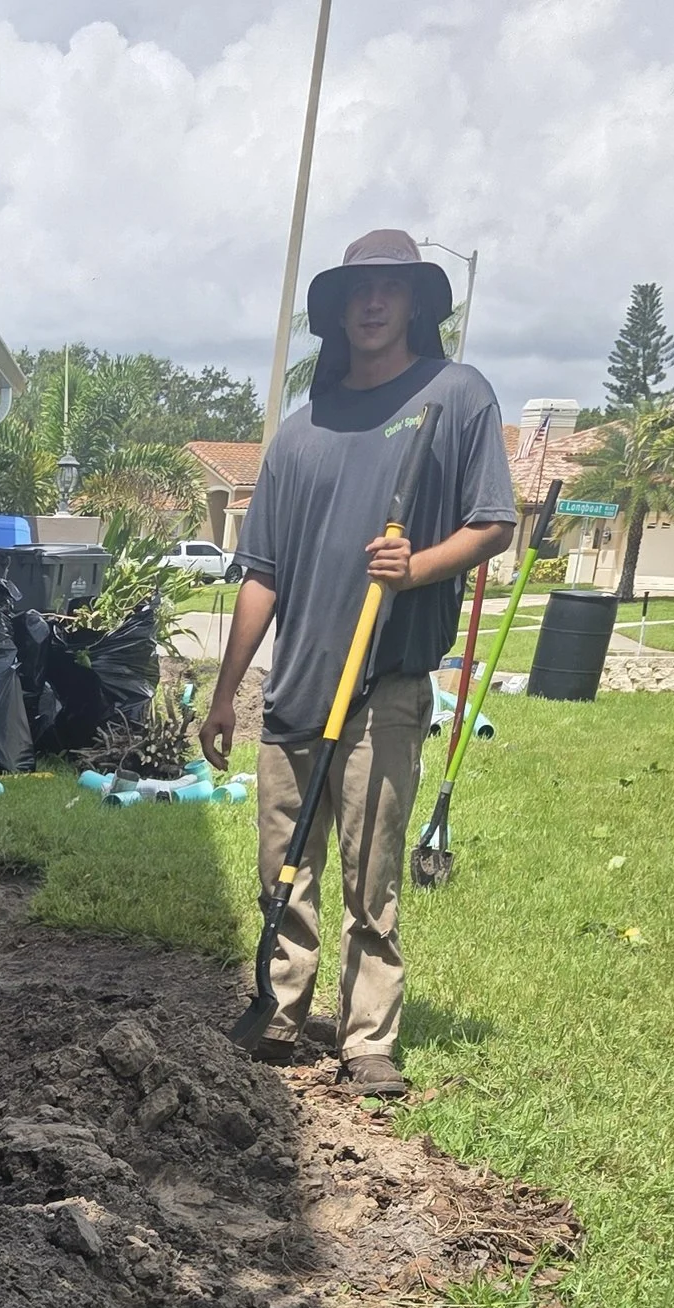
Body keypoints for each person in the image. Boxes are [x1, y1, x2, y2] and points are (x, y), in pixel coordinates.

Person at [199, 228, 516, 1095]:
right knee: (283, 866)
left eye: (389, 287)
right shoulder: (299, 437)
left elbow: (494, 520)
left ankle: (368, 1038)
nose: (372, 303)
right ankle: (281, 1007)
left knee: (371, 871)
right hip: (298, 683)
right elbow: (261, 573)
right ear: (338, 311)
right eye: (356, 290)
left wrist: (415, 568)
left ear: (414, 301)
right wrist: (228, 692)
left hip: (385, 681)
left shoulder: (454, 398)